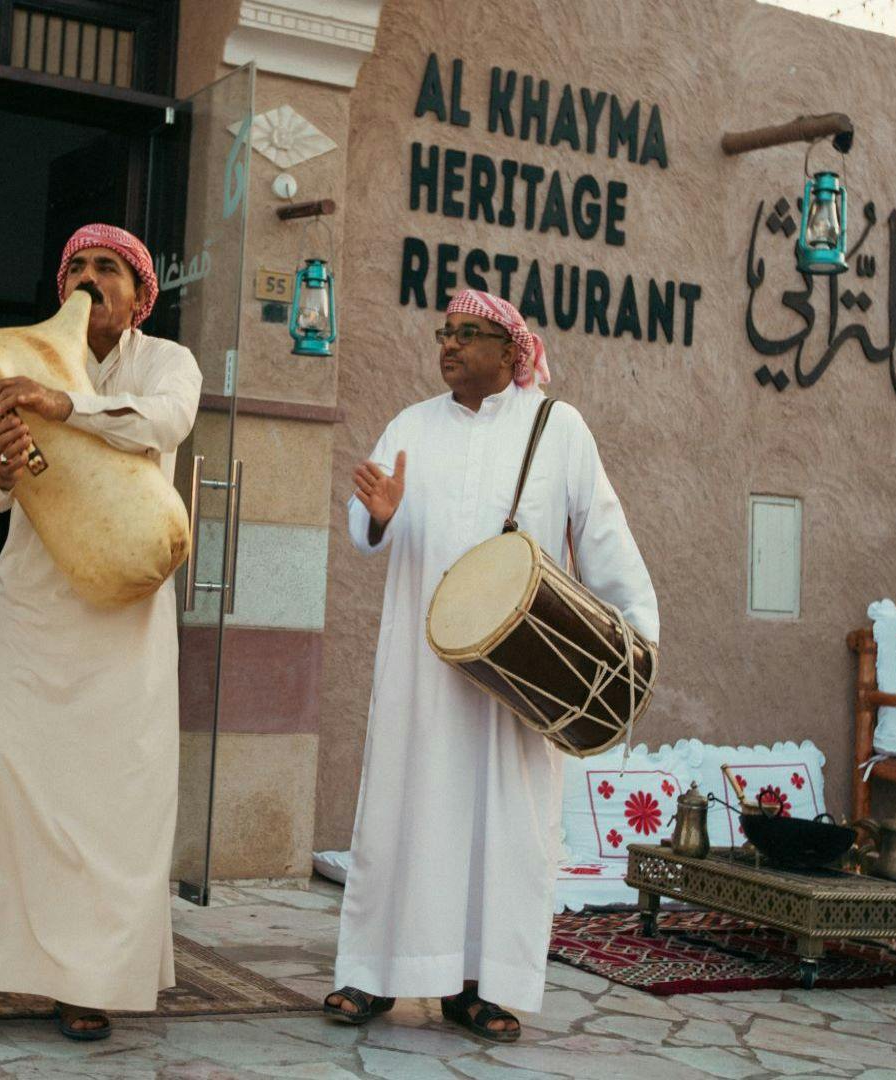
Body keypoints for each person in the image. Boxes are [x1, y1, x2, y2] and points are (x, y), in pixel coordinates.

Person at [327, 288, 659, 1042]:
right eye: (444, 333)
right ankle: (374, 972)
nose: (449, 345)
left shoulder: (557, 428)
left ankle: (481, 986)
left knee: (504, 826)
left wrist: (636, 637)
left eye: (468, 334)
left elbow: (602, 533)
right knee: (405, 812)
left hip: (521, 677)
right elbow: (363, 526)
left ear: (513, 351)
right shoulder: (412, 425)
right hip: (422, 670)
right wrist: (379, 515)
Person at [0, 224, 202, 1044]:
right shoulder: (19, 360)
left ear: (140, 295)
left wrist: (64, 405)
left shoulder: (167, 363)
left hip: (125, 618)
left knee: (113, 797)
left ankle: (88, 980)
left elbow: (165, 423)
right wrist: (0, 467)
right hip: (36, 612)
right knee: (3, 783)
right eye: (77, 266)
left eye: (107, 267)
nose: (89, 277)